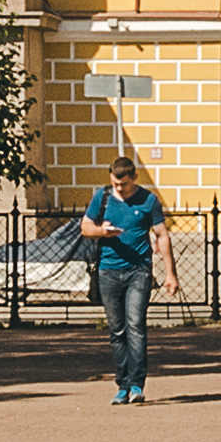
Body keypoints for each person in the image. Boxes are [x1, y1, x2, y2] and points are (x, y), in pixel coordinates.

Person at [80, 148, 168, 405]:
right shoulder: (103, 197)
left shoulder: (148, 200)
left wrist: (170, 273)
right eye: (116, 184)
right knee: (117, 330)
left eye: (125, 185)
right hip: (108, 270)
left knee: (135, 326)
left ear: (134, 178)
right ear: (111, 179)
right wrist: (101, 231)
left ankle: (137, 385)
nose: (121, 189)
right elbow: (85, 227)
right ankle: (122, 385)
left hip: (139, 270)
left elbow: (162, 235)